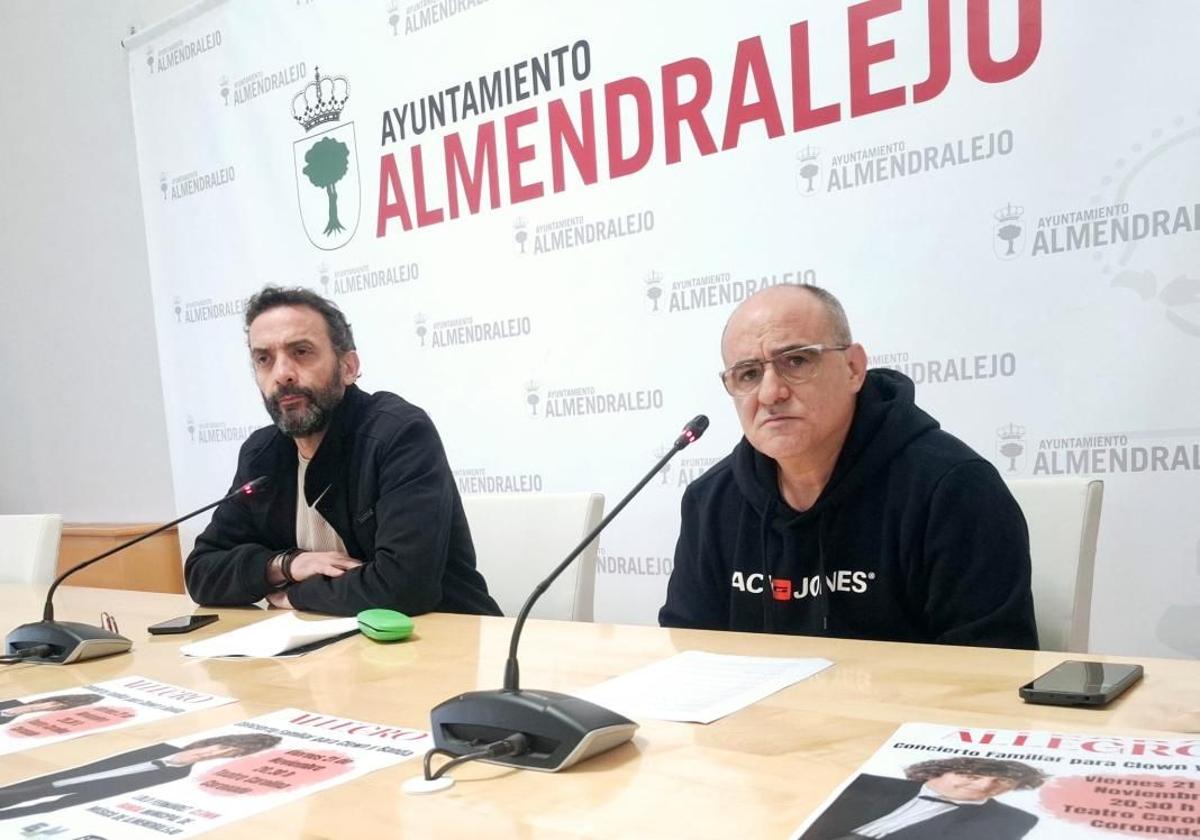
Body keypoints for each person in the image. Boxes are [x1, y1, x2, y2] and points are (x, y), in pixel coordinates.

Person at [659, 284, 1037, 648]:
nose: (771, 393)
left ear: (854, 368)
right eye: (748, 374)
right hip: (759, 715)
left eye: (796, 361)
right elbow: (688, 658)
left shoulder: (955, 489)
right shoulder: (710, 500)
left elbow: (989, 676)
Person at [185, 286, 499, 617]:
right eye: (264, 359)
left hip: (439, 640)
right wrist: (287, 565)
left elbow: (406, 587)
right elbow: (202, 571)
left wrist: (296, 595)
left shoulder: (399, 433)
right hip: (321, 650)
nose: (282, 374)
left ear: (348, 367)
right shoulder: (261, 454)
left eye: (302, 351)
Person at [0, 733, 280, 819]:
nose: (210, 754)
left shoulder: (175, 778)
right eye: (219, 746)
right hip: (38, 777)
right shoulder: (154, 742)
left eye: (227, 754)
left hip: (52, 803)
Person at [799, 757, 1045, 839]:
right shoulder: (871, 783)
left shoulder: (1013, 820)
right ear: (935, 772)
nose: (985, 785)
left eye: (1002, 782)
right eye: (969, 776)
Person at [0, 693, 103, 726]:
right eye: (55, 703)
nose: (52, 707)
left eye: (59, 707)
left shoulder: (9, 721)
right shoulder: (9, 701)